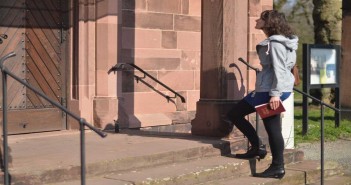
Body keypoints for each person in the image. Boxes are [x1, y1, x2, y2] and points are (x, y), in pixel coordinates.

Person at [223, 10, 298, 179]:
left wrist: (275, 95)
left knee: (273, 128)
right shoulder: (281, 42)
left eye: (261, 18)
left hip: (271, 91)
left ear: (269, 22)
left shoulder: (276, 43)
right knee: (235, 114)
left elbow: (279, 69)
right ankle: (258, 147)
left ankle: (278, 167)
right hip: (266, 89)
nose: (256, 20)